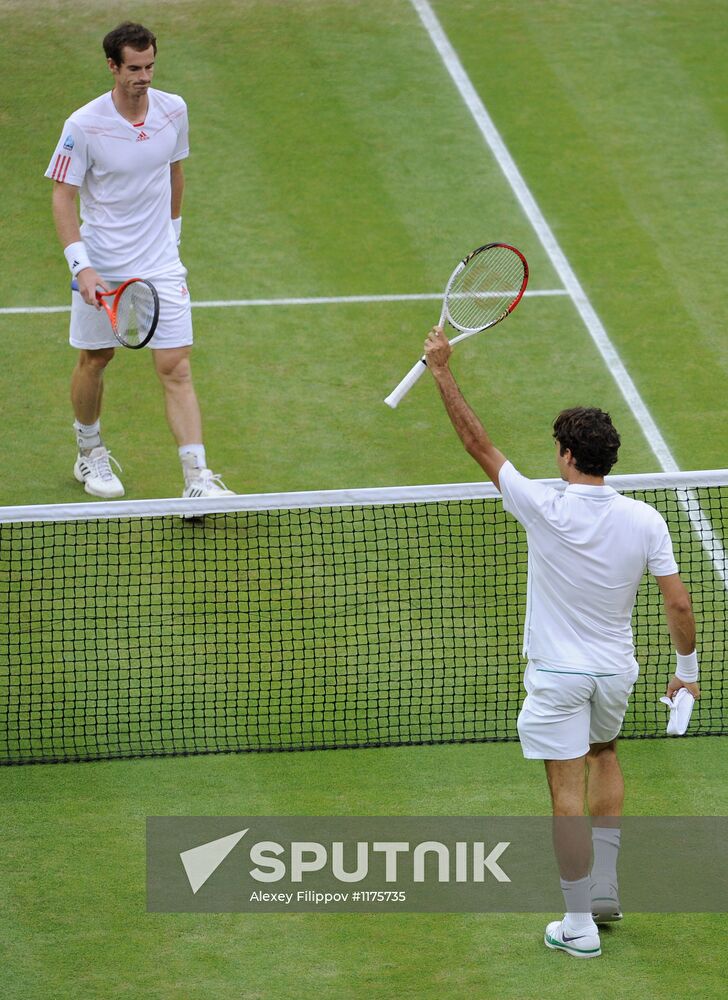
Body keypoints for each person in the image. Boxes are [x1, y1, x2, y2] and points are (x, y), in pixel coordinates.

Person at [423, 326, 699, 959]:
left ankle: (577, 926)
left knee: (564, 793)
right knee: (604, 752)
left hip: (557, 676)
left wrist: (442, 372)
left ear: (568, 457)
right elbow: (678, 602)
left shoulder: (544, 507)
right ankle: (603, 887)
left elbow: (478, 443)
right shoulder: (646, 519)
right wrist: (687, 669)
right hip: (615, 673)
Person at [45, 21, 233, 500]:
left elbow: (175, 169)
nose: (144, 76)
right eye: (134, 68)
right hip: (103, 263)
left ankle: (197, 479)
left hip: (161, 263)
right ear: (112, 66)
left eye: (150, 66)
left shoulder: (174, 111)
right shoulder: (82, 125)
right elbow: (62, 197)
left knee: (177, 366)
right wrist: (80, 267)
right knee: (96, 358)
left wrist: (173, 233)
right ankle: (89, 453)